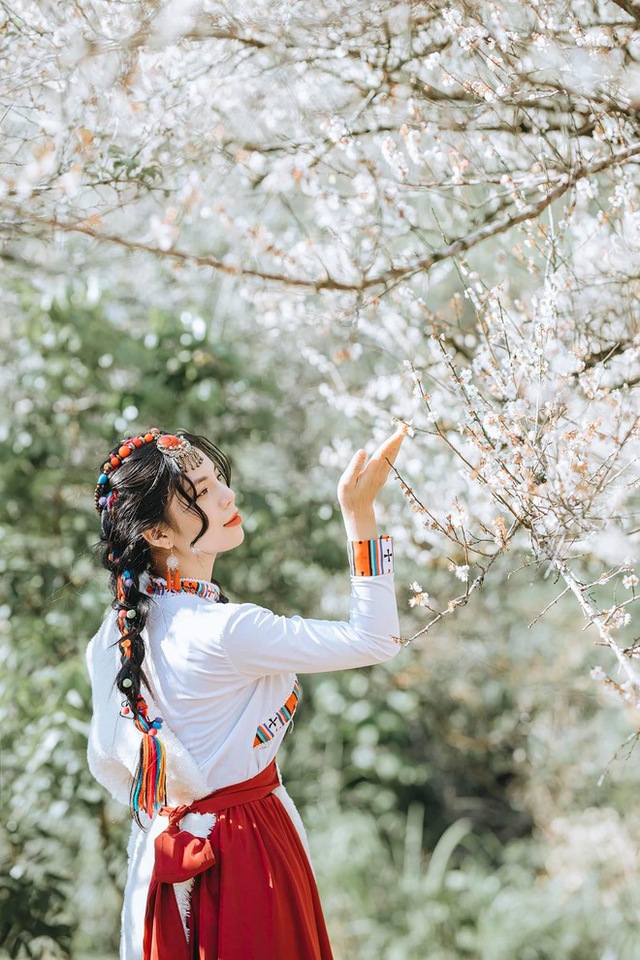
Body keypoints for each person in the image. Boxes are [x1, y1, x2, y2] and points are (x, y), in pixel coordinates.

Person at [85, 422, 408, 960]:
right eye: (202, 494)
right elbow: (376, 638)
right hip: (244, 849)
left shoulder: (117, 632)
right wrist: (360, 515)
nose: (227, 495)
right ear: (158, 534)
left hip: (160, 856)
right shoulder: (226, 630)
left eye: (217, 479)